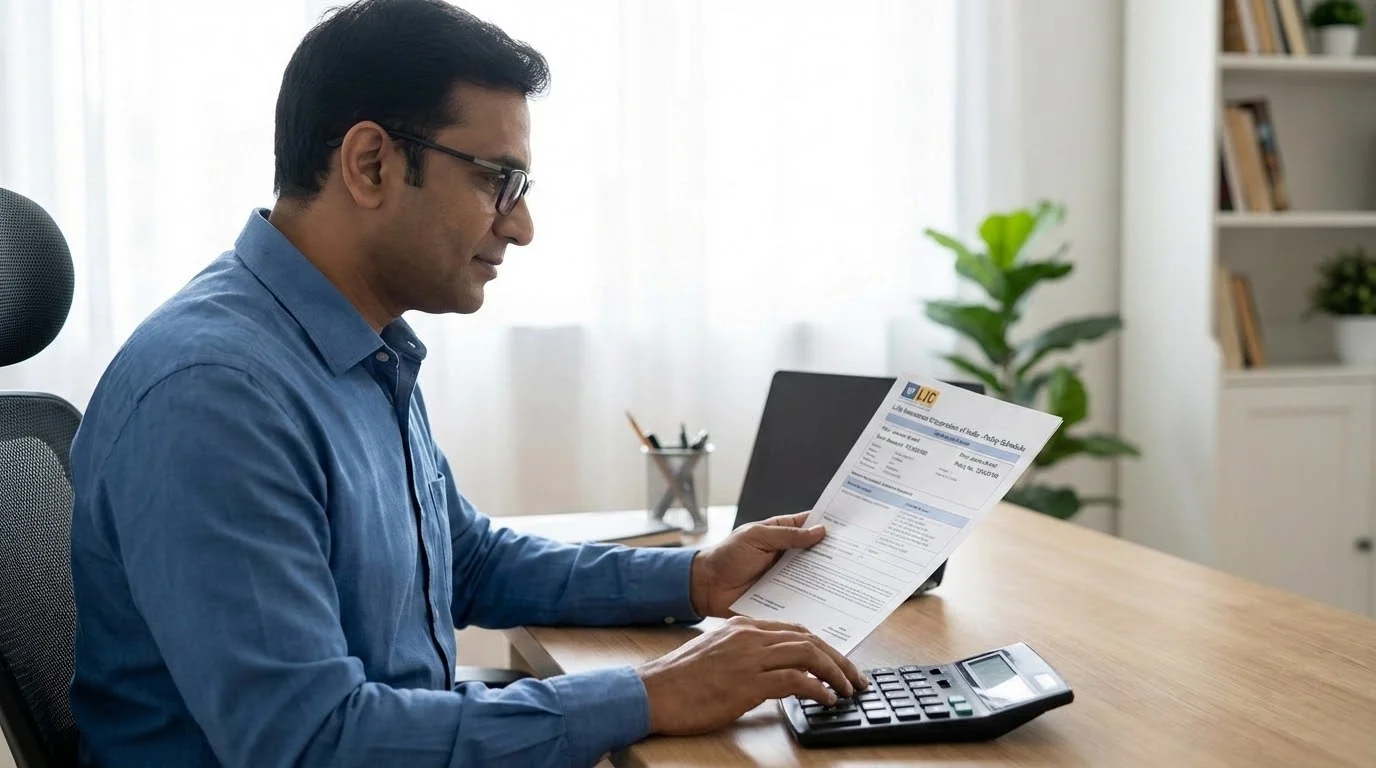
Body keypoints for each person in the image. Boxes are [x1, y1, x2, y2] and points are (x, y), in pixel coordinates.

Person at [66, 1, 868, 766]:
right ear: (371, 163)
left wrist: (695, 577)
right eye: (498, 181)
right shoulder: (217, 395)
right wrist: (649, 693)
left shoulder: (356, 346)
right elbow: (310, 745)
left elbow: (466, 561)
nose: (520, 226)